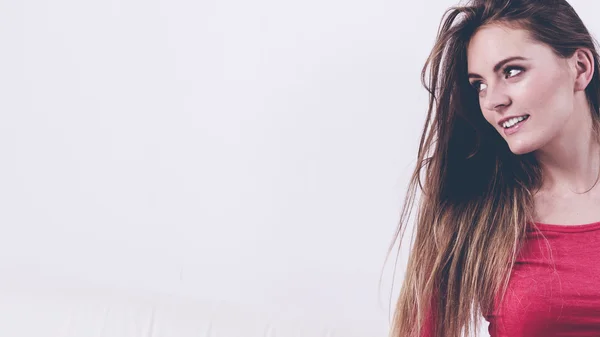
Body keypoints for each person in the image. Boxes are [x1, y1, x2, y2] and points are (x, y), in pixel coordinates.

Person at [386, 0, 600, 336]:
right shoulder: (475, 204)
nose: (492, 100)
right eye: (479, 85)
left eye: (512, 71)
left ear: (581, 67)